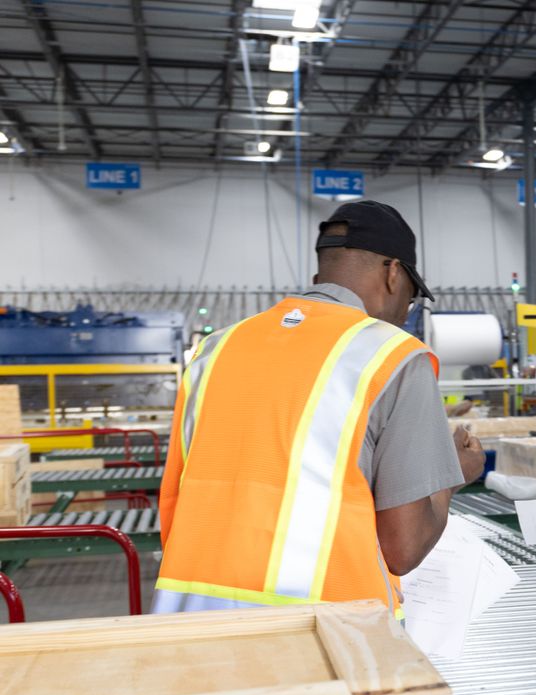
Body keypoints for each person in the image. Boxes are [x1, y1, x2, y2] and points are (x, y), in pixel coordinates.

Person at [153, 200, 486, 614]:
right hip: (322, 625)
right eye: (412, 298)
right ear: (393, 273)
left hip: (189, 614)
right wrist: (451, 477)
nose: (405, 312)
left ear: (319, 277)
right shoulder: (393, 356)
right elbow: (404, 546)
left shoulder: (213, 350)